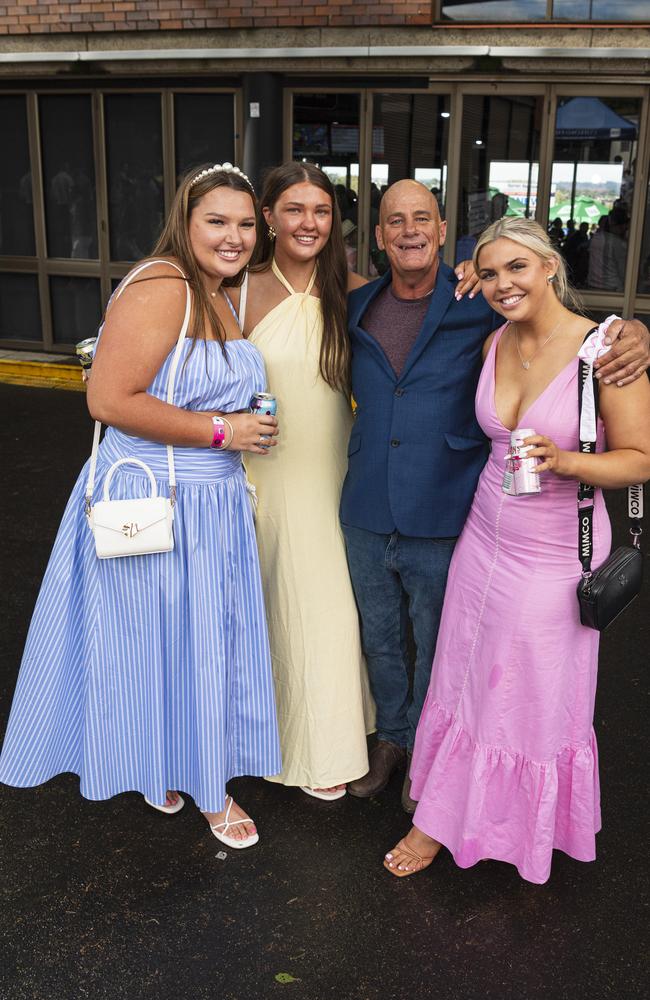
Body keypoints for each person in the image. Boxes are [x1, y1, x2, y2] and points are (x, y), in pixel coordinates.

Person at [342, 180, 650, 816]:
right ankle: (403, 748)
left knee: (475, 663)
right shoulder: (368, 305)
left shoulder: (496, 313)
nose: (408, 230)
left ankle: (480, 790)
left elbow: (634, 438)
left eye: (421, 217)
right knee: (405, 648)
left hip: (486, 523)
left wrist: (637, 331)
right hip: (411, 513)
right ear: (377, 236)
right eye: (394, 220)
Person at [0, 163, 281, 848]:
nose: (234, 236)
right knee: (152, 640)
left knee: (185, 642)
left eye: (246, 224)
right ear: (185, 222)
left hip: (208, 501)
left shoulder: (220, 291)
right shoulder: (164, 285)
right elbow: (108, 400)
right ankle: (206, 789)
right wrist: (226, 430)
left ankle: (168, 762)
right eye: (217, 221)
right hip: (155, 495)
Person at [225, 162, 374, 800]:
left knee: (327, 609)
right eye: (294, 209)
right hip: (257, 471)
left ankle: (326, 744)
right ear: (268, 217)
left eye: (320, 210)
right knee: (260, 610)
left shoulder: (360, 290)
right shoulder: (236, 289)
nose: (308, 222)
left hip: (334, 471)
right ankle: (253, 740)